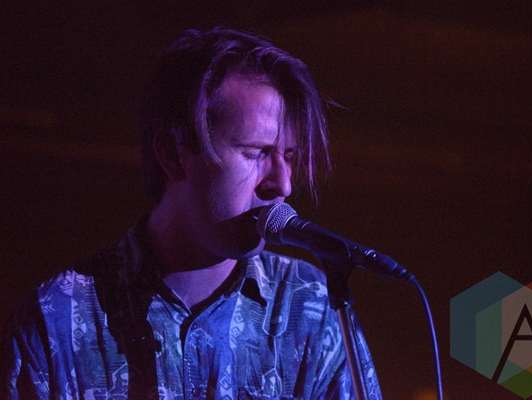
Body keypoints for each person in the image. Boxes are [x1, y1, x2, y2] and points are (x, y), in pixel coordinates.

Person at [1, 27, 382, 399]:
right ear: (172, 154)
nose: (282, 184)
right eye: (256, 153)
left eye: (290, 156)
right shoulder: (57, 317)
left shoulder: (308, 304)